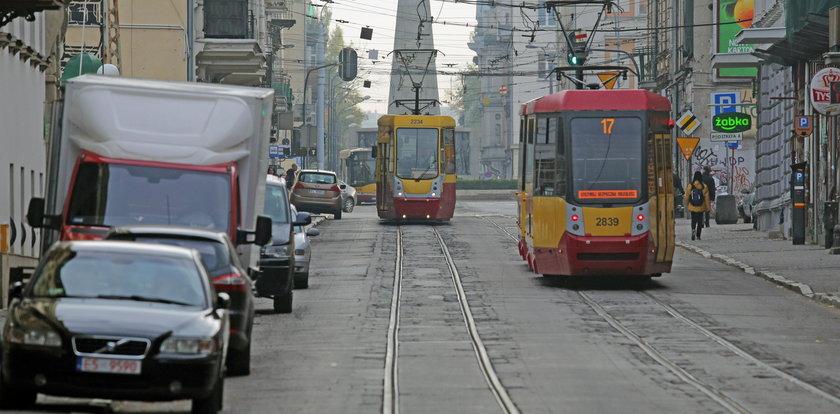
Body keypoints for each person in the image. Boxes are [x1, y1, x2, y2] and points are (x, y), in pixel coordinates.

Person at [685, 171, 711, 241]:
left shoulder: (690, 185)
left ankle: (693, 229)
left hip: (692, 206)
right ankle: (698, 235)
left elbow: (687, 197)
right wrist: (708, 208)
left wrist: (688, 205)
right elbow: (706, 198)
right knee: (700, 221)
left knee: (693, 220)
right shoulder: (703, 186)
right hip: (701, 207)